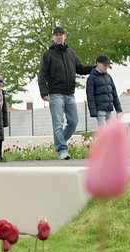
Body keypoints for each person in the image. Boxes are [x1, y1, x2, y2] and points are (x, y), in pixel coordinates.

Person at [37, 26, 94, 160]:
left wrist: (94, 67)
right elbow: (42, 75)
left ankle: (58, 143)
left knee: (73, 122)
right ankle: (62, 149)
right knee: (58, 123)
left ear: (65, 36)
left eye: (61, 34)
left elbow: (80, 69)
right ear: (53, 37)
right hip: (55, 94)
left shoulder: (71, 53)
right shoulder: (48, 55)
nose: (59, 36)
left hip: (70, 94)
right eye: (56, 34)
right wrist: (44, 92)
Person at [86, 55, 123, 127]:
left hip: (109, 109)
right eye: (104, 65)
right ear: (97, 64)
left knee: (109, 130)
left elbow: (114, 93)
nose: (106, 67)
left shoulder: (108, 77)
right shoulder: (91, 78)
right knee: (103, 130)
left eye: (107, 65)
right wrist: (93, 111)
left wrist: (118, 109)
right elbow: (90, 95)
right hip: (100, 110)